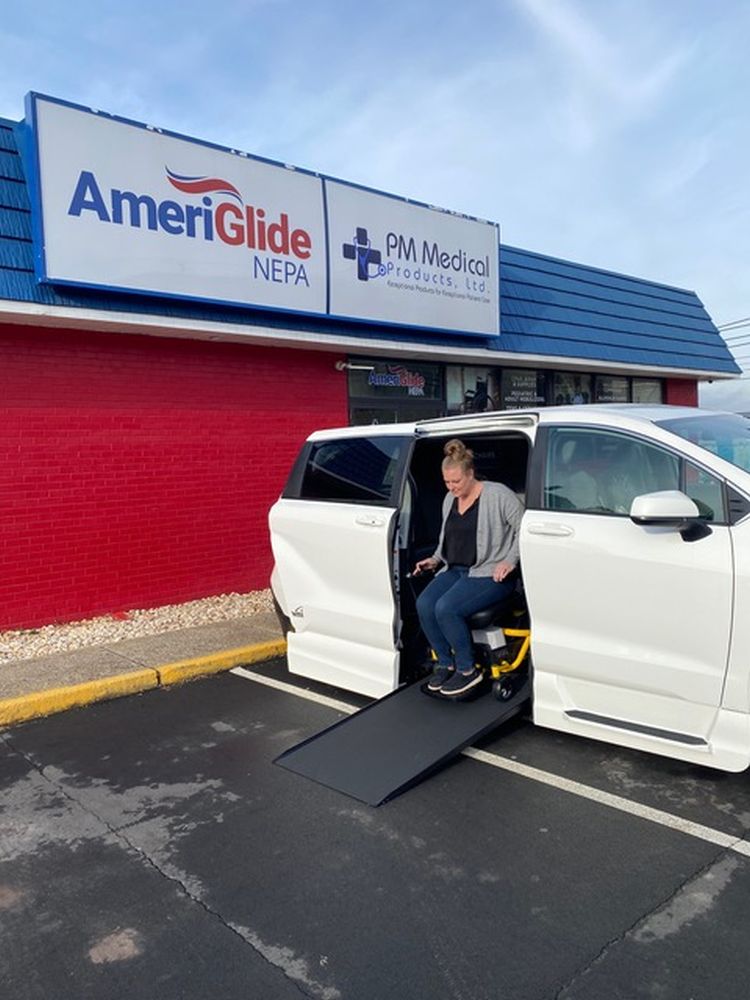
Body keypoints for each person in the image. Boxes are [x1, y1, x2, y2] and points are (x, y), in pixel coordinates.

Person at [413, 439, 523, 697]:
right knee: (424, 604)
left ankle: (467, 670)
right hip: (456, 569)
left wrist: (510, 560)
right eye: (447, 483)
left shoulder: (498, 495)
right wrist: (435, 559)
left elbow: (524, 528)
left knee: (446, 608)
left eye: (456, 482)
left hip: (489, 572)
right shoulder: (449, 500)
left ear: (470, 473)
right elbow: (447, 539)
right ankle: (444, 663)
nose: (451, 488)